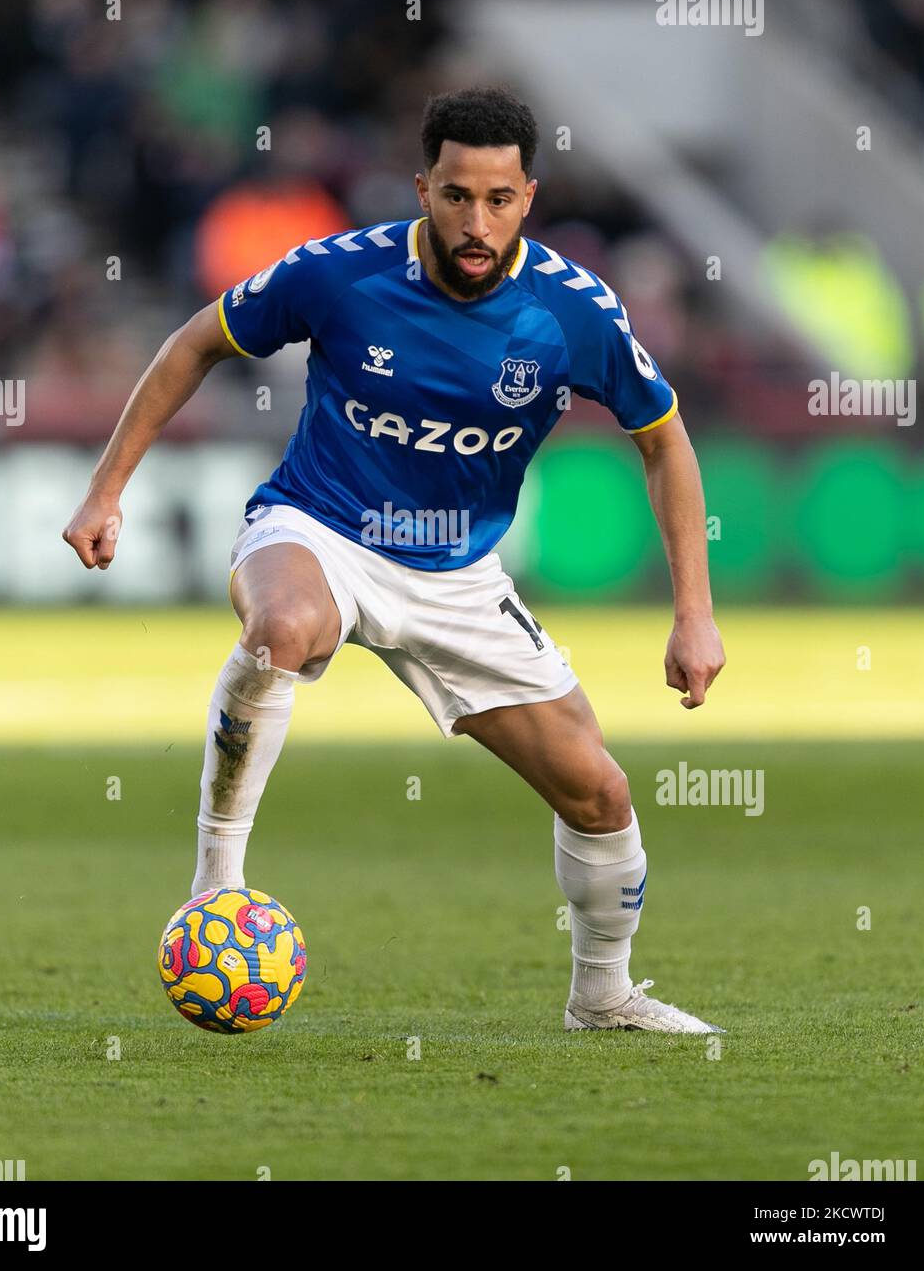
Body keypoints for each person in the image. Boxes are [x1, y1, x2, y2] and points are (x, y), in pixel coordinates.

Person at [63, 86, 727, 1033]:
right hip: (320, 528)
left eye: (499, 199)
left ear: (528, 197)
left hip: (458, 579)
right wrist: (105, 490)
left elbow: (664, 441)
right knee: (281, 626)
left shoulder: (572, 312)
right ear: (423, 187)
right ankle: (217, 887)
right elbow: (194, 343)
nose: (476, 221)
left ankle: (604, 997)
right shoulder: (341, 274)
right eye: (457, 195)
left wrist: (694, 612)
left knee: (601, 792)